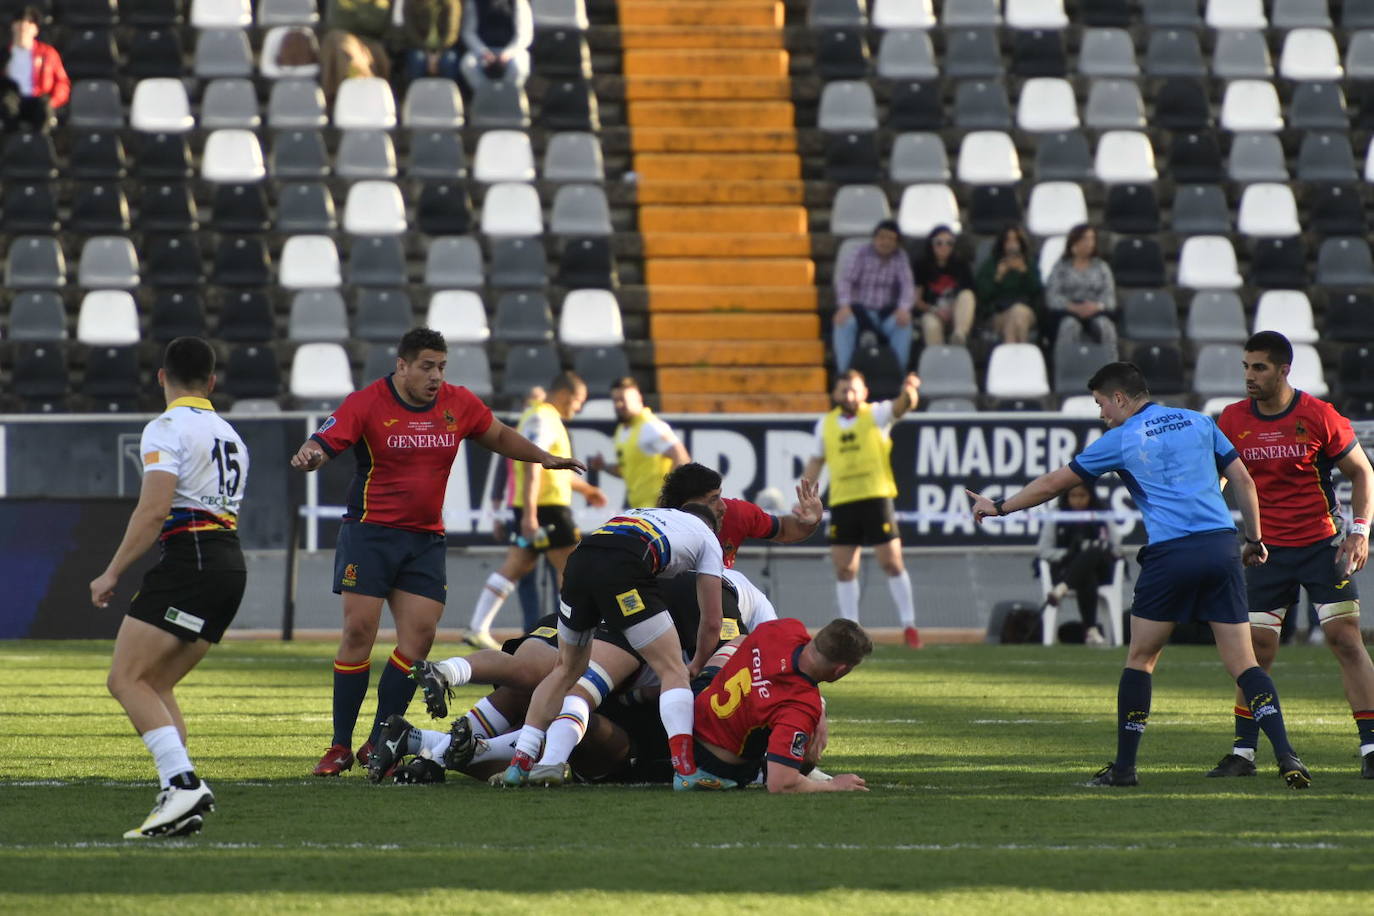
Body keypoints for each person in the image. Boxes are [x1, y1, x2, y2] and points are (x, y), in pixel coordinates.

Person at [966, 361, 1310, 789]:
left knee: (1141, 659)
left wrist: (999, 507)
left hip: (1171, 554)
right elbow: (1243, 479)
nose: (1101, 414)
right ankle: (1285, 753)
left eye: (1101, 404)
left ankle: (1125, 769)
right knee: (1243, 663)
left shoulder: (1122, 438)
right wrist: (1254, 541)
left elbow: (1055, 483)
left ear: (1121, 398)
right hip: (1221, 547)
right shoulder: (1200, 422)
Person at [291, 327, 585, 777]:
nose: (435, 376)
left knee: (420, 637)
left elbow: (500, 435)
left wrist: (542, 458)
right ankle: (339, 744)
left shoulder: (458, 402)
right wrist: (312, 454)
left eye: (441, 367)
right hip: (369, 534)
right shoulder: (367, 402)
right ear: (402, 366)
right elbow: (325, 442)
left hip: (424, 539)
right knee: (358, 633)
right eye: (427, 366)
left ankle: (377, 740)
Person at [90, 338, 248, 838]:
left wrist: (112, 570)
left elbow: (155, 509)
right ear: (212, 382)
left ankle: (181, 783)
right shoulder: (230, 434)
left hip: (191, 561)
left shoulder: (166, 427)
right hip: (227, 563)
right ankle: (180, 797)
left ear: (162, 377)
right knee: (155, 684)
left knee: (125, 679)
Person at [1207, 331, 1374, 780]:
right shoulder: (1232, 419)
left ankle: (1372, 748)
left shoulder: (1319, 416)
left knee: (1345, 640)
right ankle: (1243, 753)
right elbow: (1220, 479)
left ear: (1284, 370)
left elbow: (1362, 471)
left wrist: (1359, 532)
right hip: (1266, 552)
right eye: (1245, 366)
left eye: (1258, 367)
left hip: (1322, 546)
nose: (1249, 376)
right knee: (1255, 651)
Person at [498, 504, 725, 789]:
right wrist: (698, 663)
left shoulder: (644, 512)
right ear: (713, 527)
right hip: (624, 566)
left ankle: (521, 763)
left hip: (580, 561)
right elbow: (713, 621)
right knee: (673, 670)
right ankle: (685, 770)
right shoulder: (708, 538)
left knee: (566, 669)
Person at [466, 372, 606, 649]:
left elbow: (552, 471)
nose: (577, 408)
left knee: (518, 564)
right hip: (546, 509)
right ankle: (573, 634)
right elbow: (533, 464)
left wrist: (586, 490)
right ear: (565, 394)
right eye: (578, 401)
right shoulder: (543, 417)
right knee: (572, 568)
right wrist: (531, 513)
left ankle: (477, 628)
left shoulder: (543, 417)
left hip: (537, 507)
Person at [803, 370, 923, 648]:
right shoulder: (826, 425)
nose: (849, 395)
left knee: (892, 563)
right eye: (844, 390)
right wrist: (804, 496)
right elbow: (816, 461)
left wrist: (909, 391)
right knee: (844, 569)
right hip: (844, 501)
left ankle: (909, 626)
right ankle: (851, 632)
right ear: (835, 394)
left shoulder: (877, 415)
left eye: (854, 390)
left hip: (875, 498)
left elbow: (903, 405)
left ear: (864, 392)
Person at [687, 618, 872, 792]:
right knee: (811, 727)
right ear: (841, 670)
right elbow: (780, 784)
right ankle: (778, 766)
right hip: (713, 761)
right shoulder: (801, 707)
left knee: (741, 640)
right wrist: (834, 785)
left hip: (693, 706)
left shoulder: (786, 629)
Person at [656, 461, 824, 568]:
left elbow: (785, 530)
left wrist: (809, 522)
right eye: (713, 499)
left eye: (720, 496)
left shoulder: (736, 514)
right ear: (687, 507)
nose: (723, 507)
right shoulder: (658, 534)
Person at [1036, 483, 1122, 645]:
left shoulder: (1101, 514)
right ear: (1066, 497)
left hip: (1102, 567)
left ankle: (1061, 589)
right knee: (1087, 574)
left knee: (1094, 549)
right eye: (1073, 496)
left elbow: (1116, 547)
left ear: (1090, 496)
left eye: (1082, 496)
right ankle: (1091, 630)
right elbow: (1044, 550)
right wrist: (1071, 555)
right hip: (1066, 568)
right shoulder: (1058, 515)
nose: (1078, 501)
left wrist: (1095, 552)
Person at [589, 376, 690, 509]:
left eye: (623, 400)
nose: (619, 405)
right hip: (641, 508)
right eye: (615, 401)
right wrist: (604, 466)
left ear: (638, 399)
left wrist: (668, 497)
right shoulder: (623, 430)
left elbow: (682, 457)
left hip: (658, 509)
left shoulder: (650, 426)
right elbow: (626, 470)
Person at [832, 219, 916, 374]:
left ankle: (897, 375)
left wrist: (904, 308)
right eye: (882, 237)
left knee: (903, 324)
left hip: (886, 313)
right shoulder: (860, 253)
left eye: (891, 239)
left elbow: (907, 286)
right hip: (859, 311)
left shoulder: (900, 257)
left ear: (897, 243)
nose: (885, 242)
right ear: (874, 238)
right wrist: (844, 305)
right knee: (843, 322)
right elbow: (845, 281)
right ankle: (845, 375)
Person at [1044, 223, 1117, 350]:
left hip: (1096, 311)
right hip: (1067, 312)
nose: (1090, 243)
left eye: (1092, 239)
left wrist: (1097, 306)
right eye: (1085, 239)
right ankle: (1066, 366)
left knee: (1106, 326)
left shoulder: (1101, 267)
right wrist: (1072, 307)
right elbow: (1052, 296)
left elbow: (1109, 296)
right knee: (1069, 326)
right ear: (1074, 242)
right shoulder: (1061, 267)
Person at [1, 7, 68, 132]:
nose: (23, 28)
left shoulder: (48, 54)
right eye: (19, 23)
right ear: (13, 27)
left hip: (37, 99)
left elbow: (62, 83)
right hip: (12, 101)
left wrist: (52, 102)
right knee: (6, 107)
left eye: (28, 25)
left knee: (43, 111)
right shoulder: (3, 54)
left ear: (35, 30)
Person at [974, 224, 1041, 344]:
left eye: (1015, 240)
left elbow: (1037, 290)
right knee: (1014, 319)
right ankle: (1023, 355)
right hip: (999, 313)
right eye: (1008, 240)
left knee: (1018, 312)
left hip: (1026, 311)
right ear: (1002, 243)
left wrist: (1025, 273)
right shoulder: (991, 265)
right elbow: (982, 295)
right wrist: (998, 277)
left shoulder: (1029, 264)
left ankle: (1009, 355)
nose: (1012, 245)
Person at [912, 225, 976, 347]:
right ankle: (938, 359)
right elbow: (917, 301)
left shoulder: (962, 264)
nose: (944, 247)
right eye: (939, 243)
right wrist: (935, 311)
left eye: (949, 243)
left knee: (967, 295)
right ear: (931, 245)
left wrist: (952, 310)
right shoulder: (921, 266)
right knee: (931, 324)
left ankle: (959, 337)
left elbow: (971, 295)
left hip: (957, 313)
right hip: (932, 311)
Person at [319, 0, 392, 101]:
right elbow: (337, 21)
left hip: (370, 43)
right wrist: (366, 15)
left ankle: (366, 95)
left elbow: (379, 24)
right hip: (341, 39)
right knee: (342, 45)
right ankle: (353, 92)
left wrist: (353, 14)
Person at [458, 0, 532, 92]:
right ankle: (484, 95)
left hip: (512, 51)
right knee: (468, 65)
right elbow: (468, 32)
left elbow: (524, 35)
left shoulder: (518, 2)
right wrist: (484, 52)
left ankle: (508, 95)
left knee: (519, 68)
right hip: (482, 50)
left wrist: (507, 54)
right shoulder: (474, 2)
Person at [401, 0, 461, 84]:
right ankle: (415, 94)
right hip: (419, 46)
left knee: (449, 61)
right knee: (417, 59)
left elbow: (451, 33)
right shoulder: (410, 2)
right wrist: (427, 53)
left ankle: (449, 94)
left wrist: (438, 53)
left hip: (445, 48)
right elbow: (411, 32)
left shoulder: (451, 3)